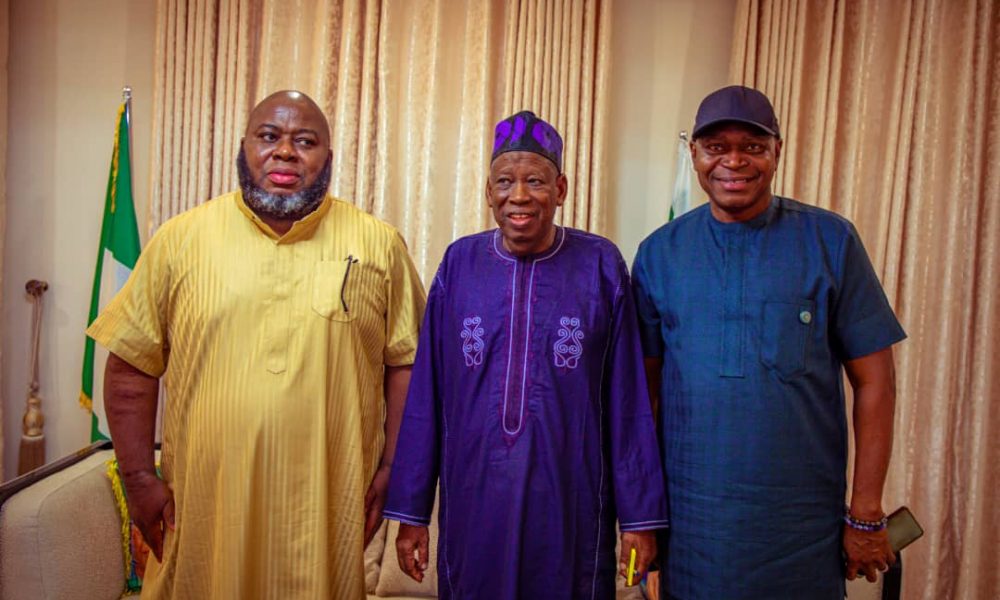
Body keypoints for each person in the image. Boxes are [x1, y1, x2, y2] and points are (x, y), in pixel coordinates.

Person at [86, 90, 426, 598]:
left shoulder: (379, 245)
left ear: (329, 158)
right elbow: (132, 364)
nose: (285, 152)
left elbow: (408, 365)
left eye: (305, 141)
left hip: (325, 518)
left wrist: (393, 469)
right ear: (243, 147)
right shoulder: (180, 241)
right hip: (206, 513)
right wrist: (137, 478)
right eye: (269, 136)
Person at [632, 85, 906, 598]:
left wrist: (866, 511)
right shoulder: (658, 255)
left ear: (777, 151)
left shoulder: (831, 241)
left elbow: (876, 383)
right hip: (694, 529)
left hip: (800, 529)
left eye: (752, 147)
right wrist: (641, 516)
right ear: (694, 153)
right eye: (716, 147)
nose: (733, 162)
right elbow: (642, 398)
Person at [382, 111, 668, 599]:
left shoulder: (601, 266)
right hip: (474, 506)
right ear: (487, 191)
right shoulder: (459, 264)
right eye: (504, 182)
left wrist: (639, 520)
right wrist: (411, 514)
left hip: (571, 507)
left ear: (561, 189)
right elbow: (426, 396)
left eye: (534, 181)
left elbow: (628, 402)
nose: (518, 195)